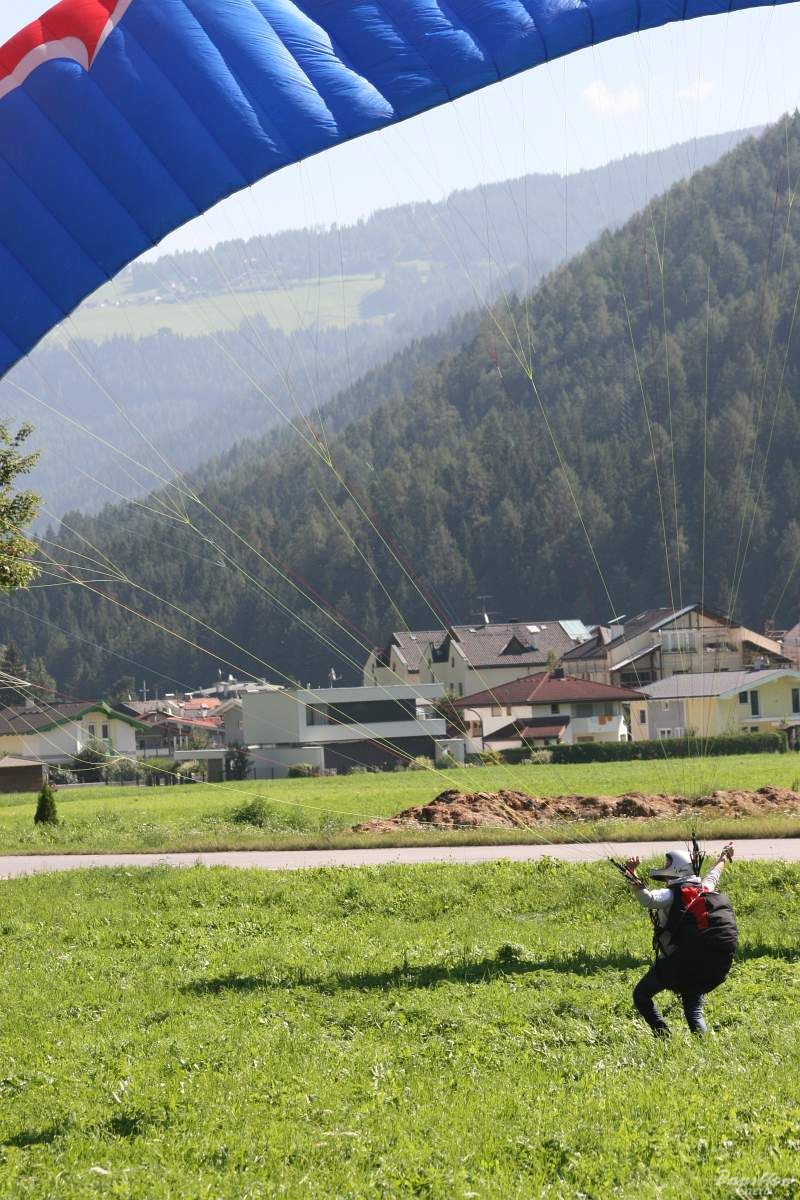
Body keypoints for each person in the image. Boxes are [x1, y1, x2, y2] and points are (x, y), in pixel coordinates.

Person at [624, 843, 737, 1036]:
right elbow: (714, 874)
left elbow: (648, 899)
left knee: (641, 995)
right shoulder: (704, 888)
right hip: (706, 962)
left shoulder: (670, 894)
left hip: (677, 964)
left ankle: (663, 1036)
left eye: (667, 864)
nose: (664, 867)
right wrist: (724, 857)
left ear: (676, 868)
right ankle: (704, 1047)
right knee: (693, 1009)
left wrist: (631, 872)